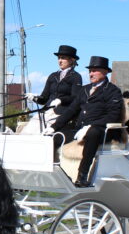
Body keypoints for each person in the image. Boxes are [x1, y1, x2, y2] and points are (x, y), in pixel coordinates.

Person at [45, 56, 123, 187]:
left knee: (93, 133)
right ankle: (54, 176)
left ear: (105, 72)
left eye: (95, 71)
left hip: (102, 130)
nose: (91, 74)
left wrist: (92, 125)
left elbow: (113, 115)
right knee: (53, 137)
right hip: (80, 129)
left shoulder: (113, 91)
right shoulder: (84, 90)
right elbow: (71, 110)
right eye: (90, 71)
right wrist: (54, 127)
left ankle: (82, 176)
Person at [33, 45, 82, 146]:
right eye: (59, 58)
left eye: (63, 58)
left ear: (71, 60)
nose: (60, 61)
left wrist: (61, 100)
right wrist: (34, 98)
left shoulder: (76, 77)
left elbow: (75, 97)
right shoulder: (52, 76)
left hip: (62, 113)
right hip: (47, 111)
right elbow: (44, 98)